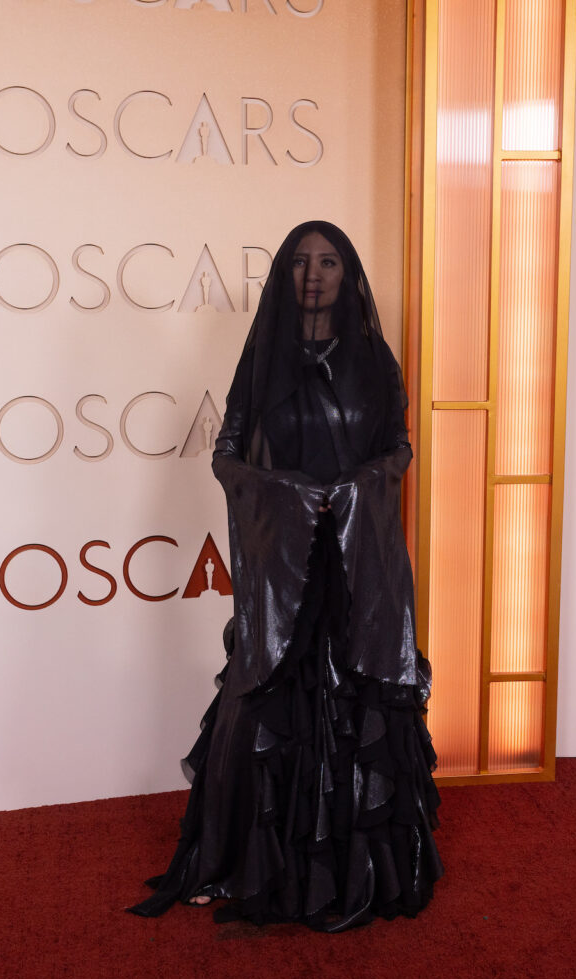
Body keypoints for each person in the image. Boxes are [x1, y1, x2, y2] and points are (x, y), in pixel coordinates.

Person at [128, 221, 441, 931]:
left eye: (329, 261)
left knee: (363, 706)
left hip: (358, 566)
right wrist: (285, 494)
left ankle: (367, 872)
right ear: (283, 274)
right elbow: (228, 455)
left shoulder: (373, 361)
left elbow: (397, 448)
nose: (314, 274)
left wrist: (363, 483)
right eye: (301, 261)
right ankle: (252, 866)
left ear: (347, 272)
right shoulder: (263, 361)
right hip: (286, 571)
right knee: (264, 705)